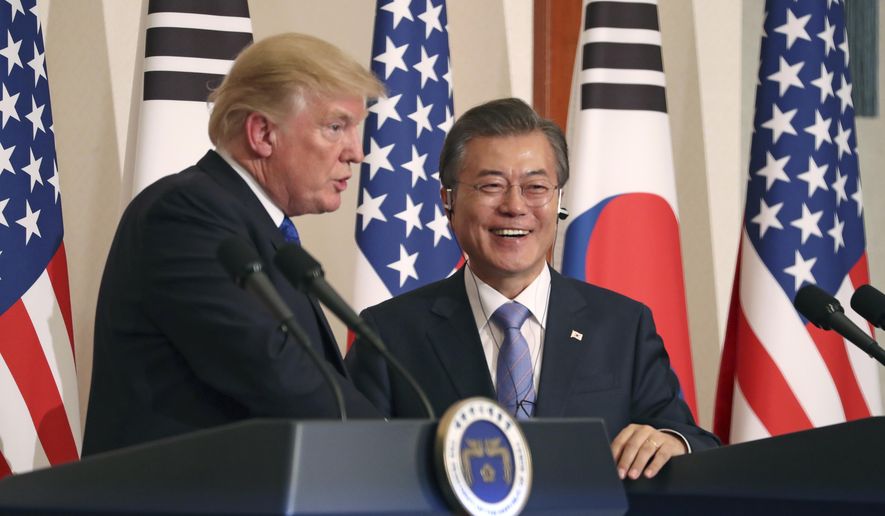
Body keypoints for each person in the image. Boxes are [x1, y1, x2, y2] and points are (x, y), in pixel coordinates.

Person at [346, 98, 719, 480]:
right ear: (449, 200)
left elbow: (691, 440)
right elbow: (353, 469)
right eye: (491, 186)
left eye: (535, 187)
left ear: (558, 200)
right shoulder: (388, 335)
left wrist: (671, 441)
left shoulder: (623, 326)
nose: (515, 206)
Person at [83, 33, 385, 455]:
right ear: (262, 132)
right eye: (336, 127)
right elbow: (272, 368)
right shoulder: (186, 213)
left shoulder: (253, 225)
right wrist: (396, 444)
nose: (356, 152)